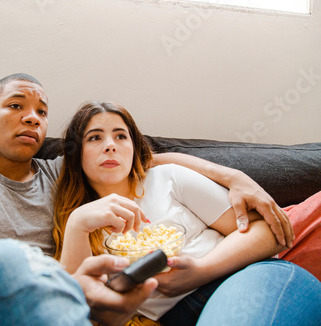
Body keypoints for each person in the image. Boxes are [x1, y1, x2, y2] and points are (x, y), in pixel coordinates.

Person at [0, 73, 294, 325]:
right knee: (3, 259)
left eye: (41, 111)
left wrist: (233, 175)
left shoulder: (58, 174)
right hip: (5, 305)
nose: (33, 117)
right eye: (16, 105)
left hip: (70, 306)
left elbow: (132, 162)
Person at [53, 101, 321, 325]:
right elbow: (74, 311)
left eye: (121, 136)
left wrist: (200, 271)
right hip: (178, 317)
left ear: (134, 147)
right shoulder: (80, 221)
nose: (110, 145)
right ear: (76, 155)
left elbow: (268, 232)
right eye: (95, 137)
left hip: (244, 278)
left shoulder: (166, 178)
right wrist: (77, 224)